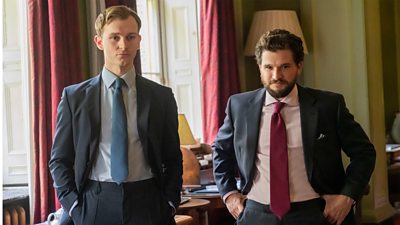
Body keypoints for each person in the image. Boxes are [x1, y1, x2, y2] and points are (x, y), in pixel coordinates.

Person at [212, 29, 376, 225]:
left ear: (299, 66)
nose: (276, 75)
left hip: (316, 214)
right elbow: (221, 151)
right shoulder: (238, 106)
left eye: (285, 66)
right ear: (259, 67)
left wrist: (347, 197)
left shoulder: (329, 106)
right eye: (268, 67)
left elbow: (364, 153)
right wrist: (229, 194)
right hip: (256, 215)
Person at [49, 5, 182, 225]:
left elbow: (172, 158)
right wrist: (73, 205)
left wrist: (169, 202)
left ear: (139, 40)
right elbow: (59, 160)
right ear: (99, 42)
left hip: (148, 201)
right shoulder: (74, 98)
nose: (123, 45)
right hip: (95, 202)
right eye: (115, 38)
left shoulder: (161, 97)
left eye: (130, 37)